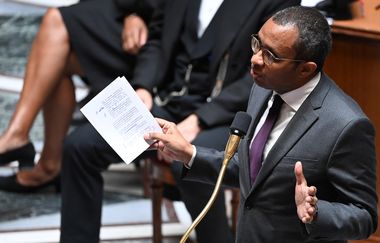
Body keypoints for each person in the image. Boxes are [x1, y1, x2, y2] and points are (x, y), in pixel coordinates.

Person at [59, 0, 301, 242]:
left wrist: (199, 120)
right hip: (168, 102)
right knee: (79, 147)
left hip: (225, 115)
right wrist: (143, 87)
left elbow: (266, 74)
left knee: (189, 161)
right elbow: (156, 39)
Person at [146, 6, 378, 243]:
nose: (255, 59)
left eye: (272, 56)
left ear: (305, 69)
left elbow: (364, 216)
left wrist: (316, 213)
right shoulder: (262, 89)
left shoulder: (346, 124)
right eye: (257, 44)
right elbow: (252, 174)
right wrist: (188, 153)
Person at [0, 0, 158, 191]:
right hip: (128, 10)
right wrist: (131, 13)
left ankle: (25, 144)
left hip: (158, 30)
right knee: (54, 57)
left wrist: (135, 12)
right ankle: (44, 160)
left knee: (56, 24)